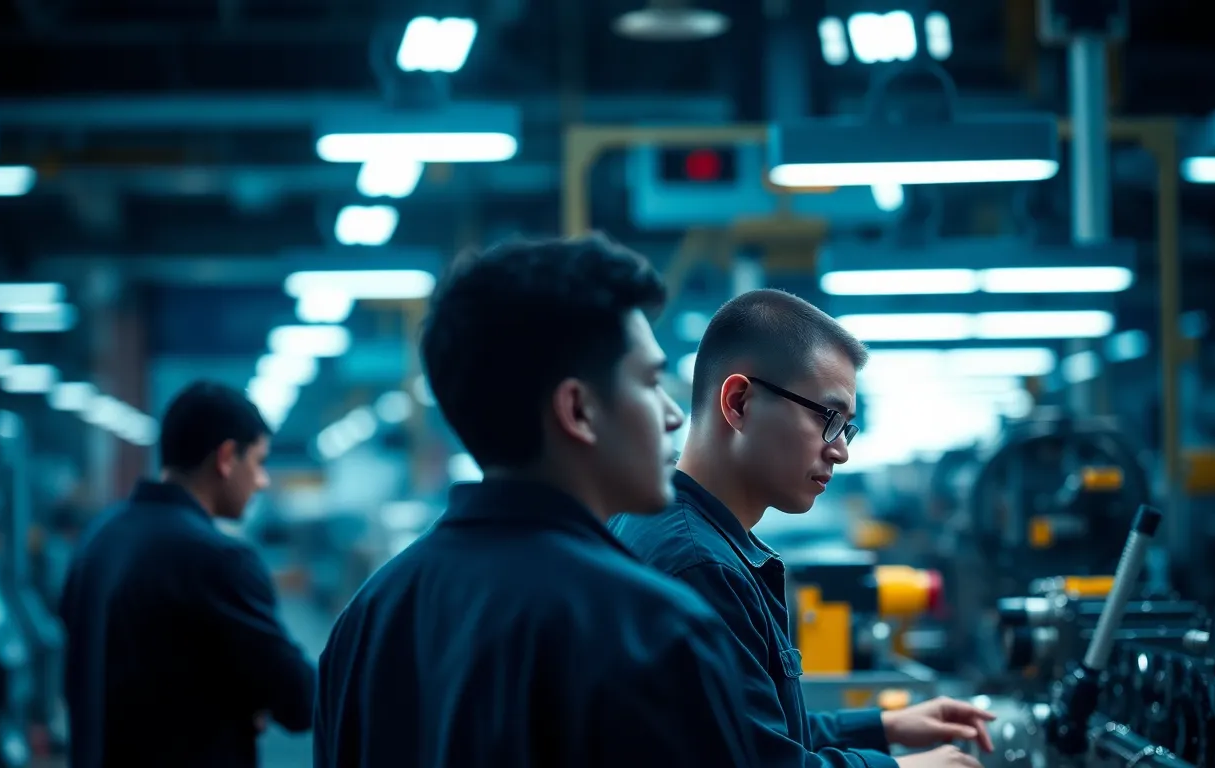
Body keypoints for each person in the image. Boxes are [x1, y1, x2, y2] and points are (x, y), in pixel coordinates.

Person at [313, 235, 759, 768]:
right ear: (578, 409)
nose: (672, 415)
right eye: (649, 381)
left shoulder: (367, 620)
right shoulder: (656, 629)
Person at [611, 289, 993, 768]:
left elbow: (740, 729)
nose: (840, 451)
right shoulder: (700, 566)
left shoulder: (678, 531)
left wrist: (885, 726)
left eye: (846, 429)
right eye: (828, 418)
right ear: (740, 403)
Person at [60, 382, 316, 768]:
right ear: (227, 458)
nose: (262, 481)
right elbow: (300, 700)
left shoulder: (99, 538)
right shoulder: (219, 558)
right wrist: (249, 696)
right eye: (258, 462)